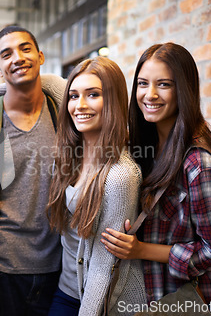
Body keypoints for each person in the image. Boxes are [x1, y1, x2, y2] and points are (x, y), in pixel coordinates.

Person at [100, 43, 211, 315]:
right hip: (161, 299)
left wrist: (141, 250)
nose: (150, 95)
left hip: (201, 302)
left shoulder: (199, 164)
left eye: (164, 85)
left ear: (183, 90)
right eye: (142, 83)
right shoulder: (144, 145)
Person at [0, 25, 65, 316]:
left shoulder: (62, 115)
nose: (17, 58)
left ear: (40, 56)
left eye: (25, 48)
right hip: (2, 270)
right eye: (6, 54)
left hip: (59, 270)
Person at [46, 57, 146, 316]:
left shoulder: (120, 175)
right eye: (73, 96)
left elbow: (104, 263)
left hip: (97, 302)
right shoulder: (70, 156)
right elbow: (41, 82)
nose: (79, 105)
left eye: (93, 95)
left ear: (112, 101)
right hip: (65, 289)